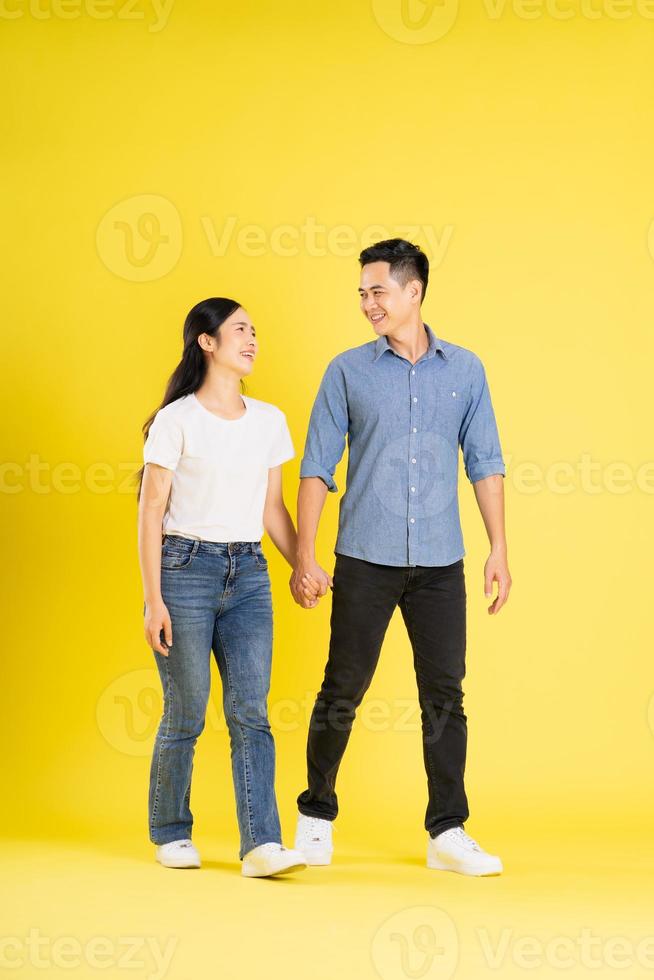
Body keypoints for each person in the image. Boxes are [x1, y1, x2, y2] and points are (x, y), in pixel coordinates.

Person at [290, 239, 511, 876]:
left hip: (442, 562)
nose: (366, 303)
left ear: (413, 292)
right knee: (343, 687)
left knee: (445, 694)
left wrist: (499, 547)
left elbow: (486, 462)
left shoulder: (466, 370)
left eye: (377, 291)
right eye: (361, 292)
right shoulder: (347, 371)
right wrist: (305, 555)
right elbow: (315, 468)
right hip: (364, 556)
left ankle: (447, 830)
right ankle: (315, 815)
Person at [137, 297, 306, 878]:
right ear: (206, 342)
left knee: (250, 711)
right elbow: (150, 510)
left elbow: (273, 509)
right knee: (186, 710)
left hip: (250, 576)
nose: (252, 339)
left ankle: (261, 843)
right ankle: (170, 831)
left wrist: (300, 564)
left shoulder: (269, 420)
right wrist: (153, 598)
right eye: (240, 330)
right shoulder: (175, 420)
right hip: (184, 571)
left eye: (255, 330)